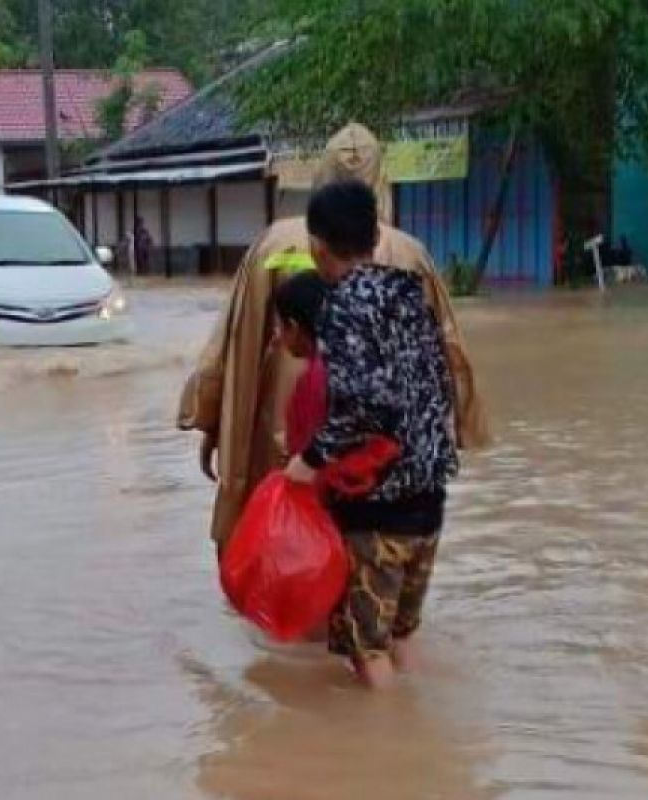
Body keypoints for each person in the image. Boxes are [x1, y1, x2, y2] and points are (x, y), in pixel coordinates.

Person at [178, 122, 489, 555]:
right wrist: (460, 428)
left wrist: (211, 420)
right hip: (379, 469)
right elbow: (446, 353)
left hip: (284, 444)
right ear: (381, 181)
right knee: (367, 578)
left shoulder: (271, 245)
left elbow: (233, 343)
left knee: (286, 568)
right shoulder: (410, 255)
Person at [284, 179, 458, 690]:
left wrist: (307, 462)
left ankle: (389, 752)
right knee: (401, 636)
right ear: (377, 233)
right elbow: (438, 385)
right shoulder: (410, 294)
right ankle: (416, 730)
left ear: (316, 245)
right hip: (430, 497)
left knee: (367, 651)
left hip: (379, 508)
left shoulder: (342, 305)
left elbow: (363, 404)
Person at [271, 271, 328, 457]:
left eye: (279, 326)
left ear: (294, 328)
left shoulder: (314, 379)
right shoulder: (344, 363)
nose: (276, 338)